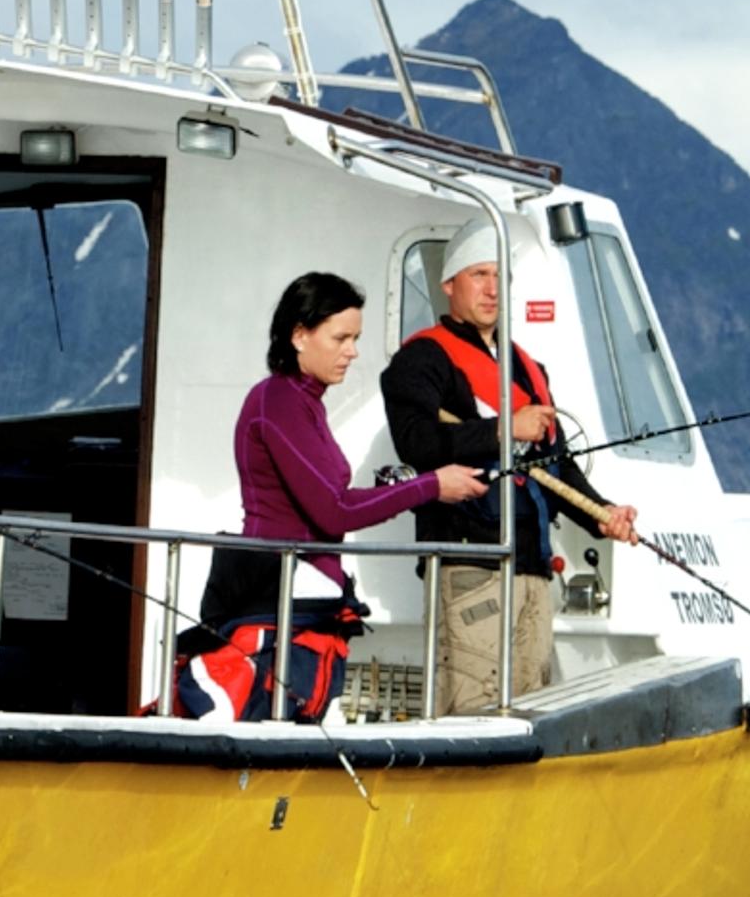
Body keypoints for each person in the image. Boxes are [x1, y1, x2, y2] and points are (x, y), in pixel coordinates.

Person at [188, 271, 485, 720]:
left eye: (356, 337)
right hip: (281, 595)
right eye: (341, 337)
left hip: (306, 603)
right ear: (299, 335)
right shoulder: (279, 400)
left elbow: (328, 501)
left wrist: (409, 488)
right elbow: (334, 509)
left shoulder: (304, 402)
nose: (352, 351)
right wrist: (429, 485)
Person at [382, 217, 639, 717]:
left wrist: (603, 515)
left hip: (533, 569)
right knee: (470, 711)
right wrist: (505, 429)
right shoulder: (423, 360)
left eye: (500, 277)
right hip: (468, 566)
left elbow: (557, 467)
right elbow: (416, 442)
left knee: (530, 713)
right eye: (479, 275)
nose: (492, 289)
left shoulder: (529, 367)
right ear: (449, 284)